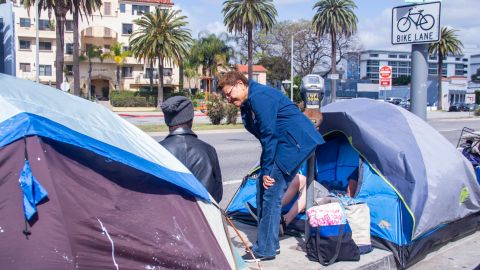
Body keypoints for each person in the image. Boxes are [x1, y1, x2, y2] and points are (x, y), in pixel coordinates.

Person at [218, 71, 324, 262]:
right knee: (263, 186)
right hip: (285, 144)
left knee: (271, 191)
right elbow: (265, 136)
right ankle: (270, 243)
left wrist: (267, 171)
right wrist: (264, 170)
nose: (228, 99)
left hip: (296, 143)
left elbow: (269, 135)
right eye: (225, 96)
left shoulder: (259, 97)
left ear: (241, 84)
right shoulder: (248, 102)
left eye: (229, 93)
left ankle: (265, 249)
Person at [159, 96, 223, 203]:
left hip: (167, 216)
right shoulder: (208, 150)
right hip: (202, 216)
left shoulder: (156, 151)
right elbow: (217, 194)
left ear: (167, 121)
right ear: (191, 119)